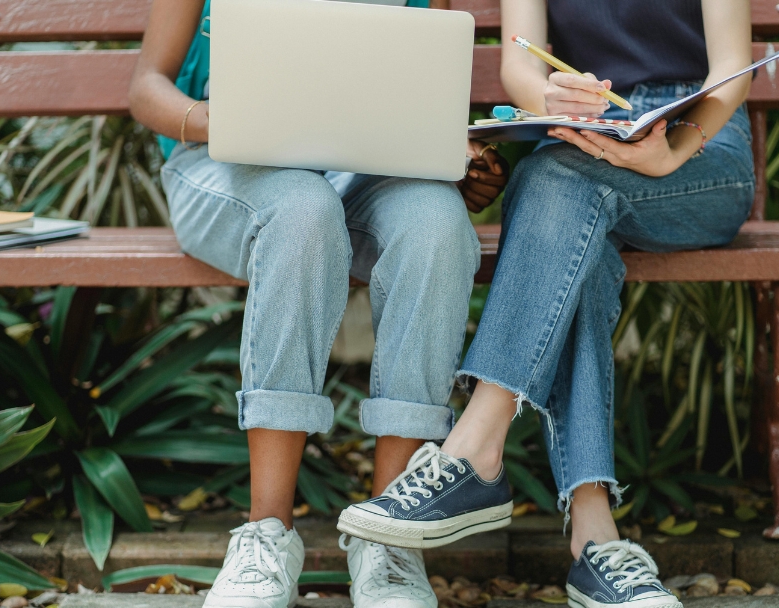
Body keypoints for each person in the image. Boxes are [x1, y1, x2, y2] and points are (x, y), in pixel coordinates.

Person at [341, 1, 755, 607]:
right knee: (568, 215)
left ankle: (475, 447)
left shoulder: (690, 135)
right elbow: (521, 65)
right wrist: (554, 97)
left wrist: (673, 146)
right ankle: (595, 543)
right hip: (587, 136)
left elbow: (732, 72)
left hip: (698, 142)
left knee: (553, 183)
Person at [127, 1, 507, 608]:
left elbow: (423, 91)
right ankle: (265, 535)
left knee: (437, 223)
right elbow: (147, 88)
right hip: (225, 160)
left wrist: (456, 159)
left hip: (368, 168)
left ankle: (390, 542)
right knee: (303, 212)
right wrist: (222, 122)